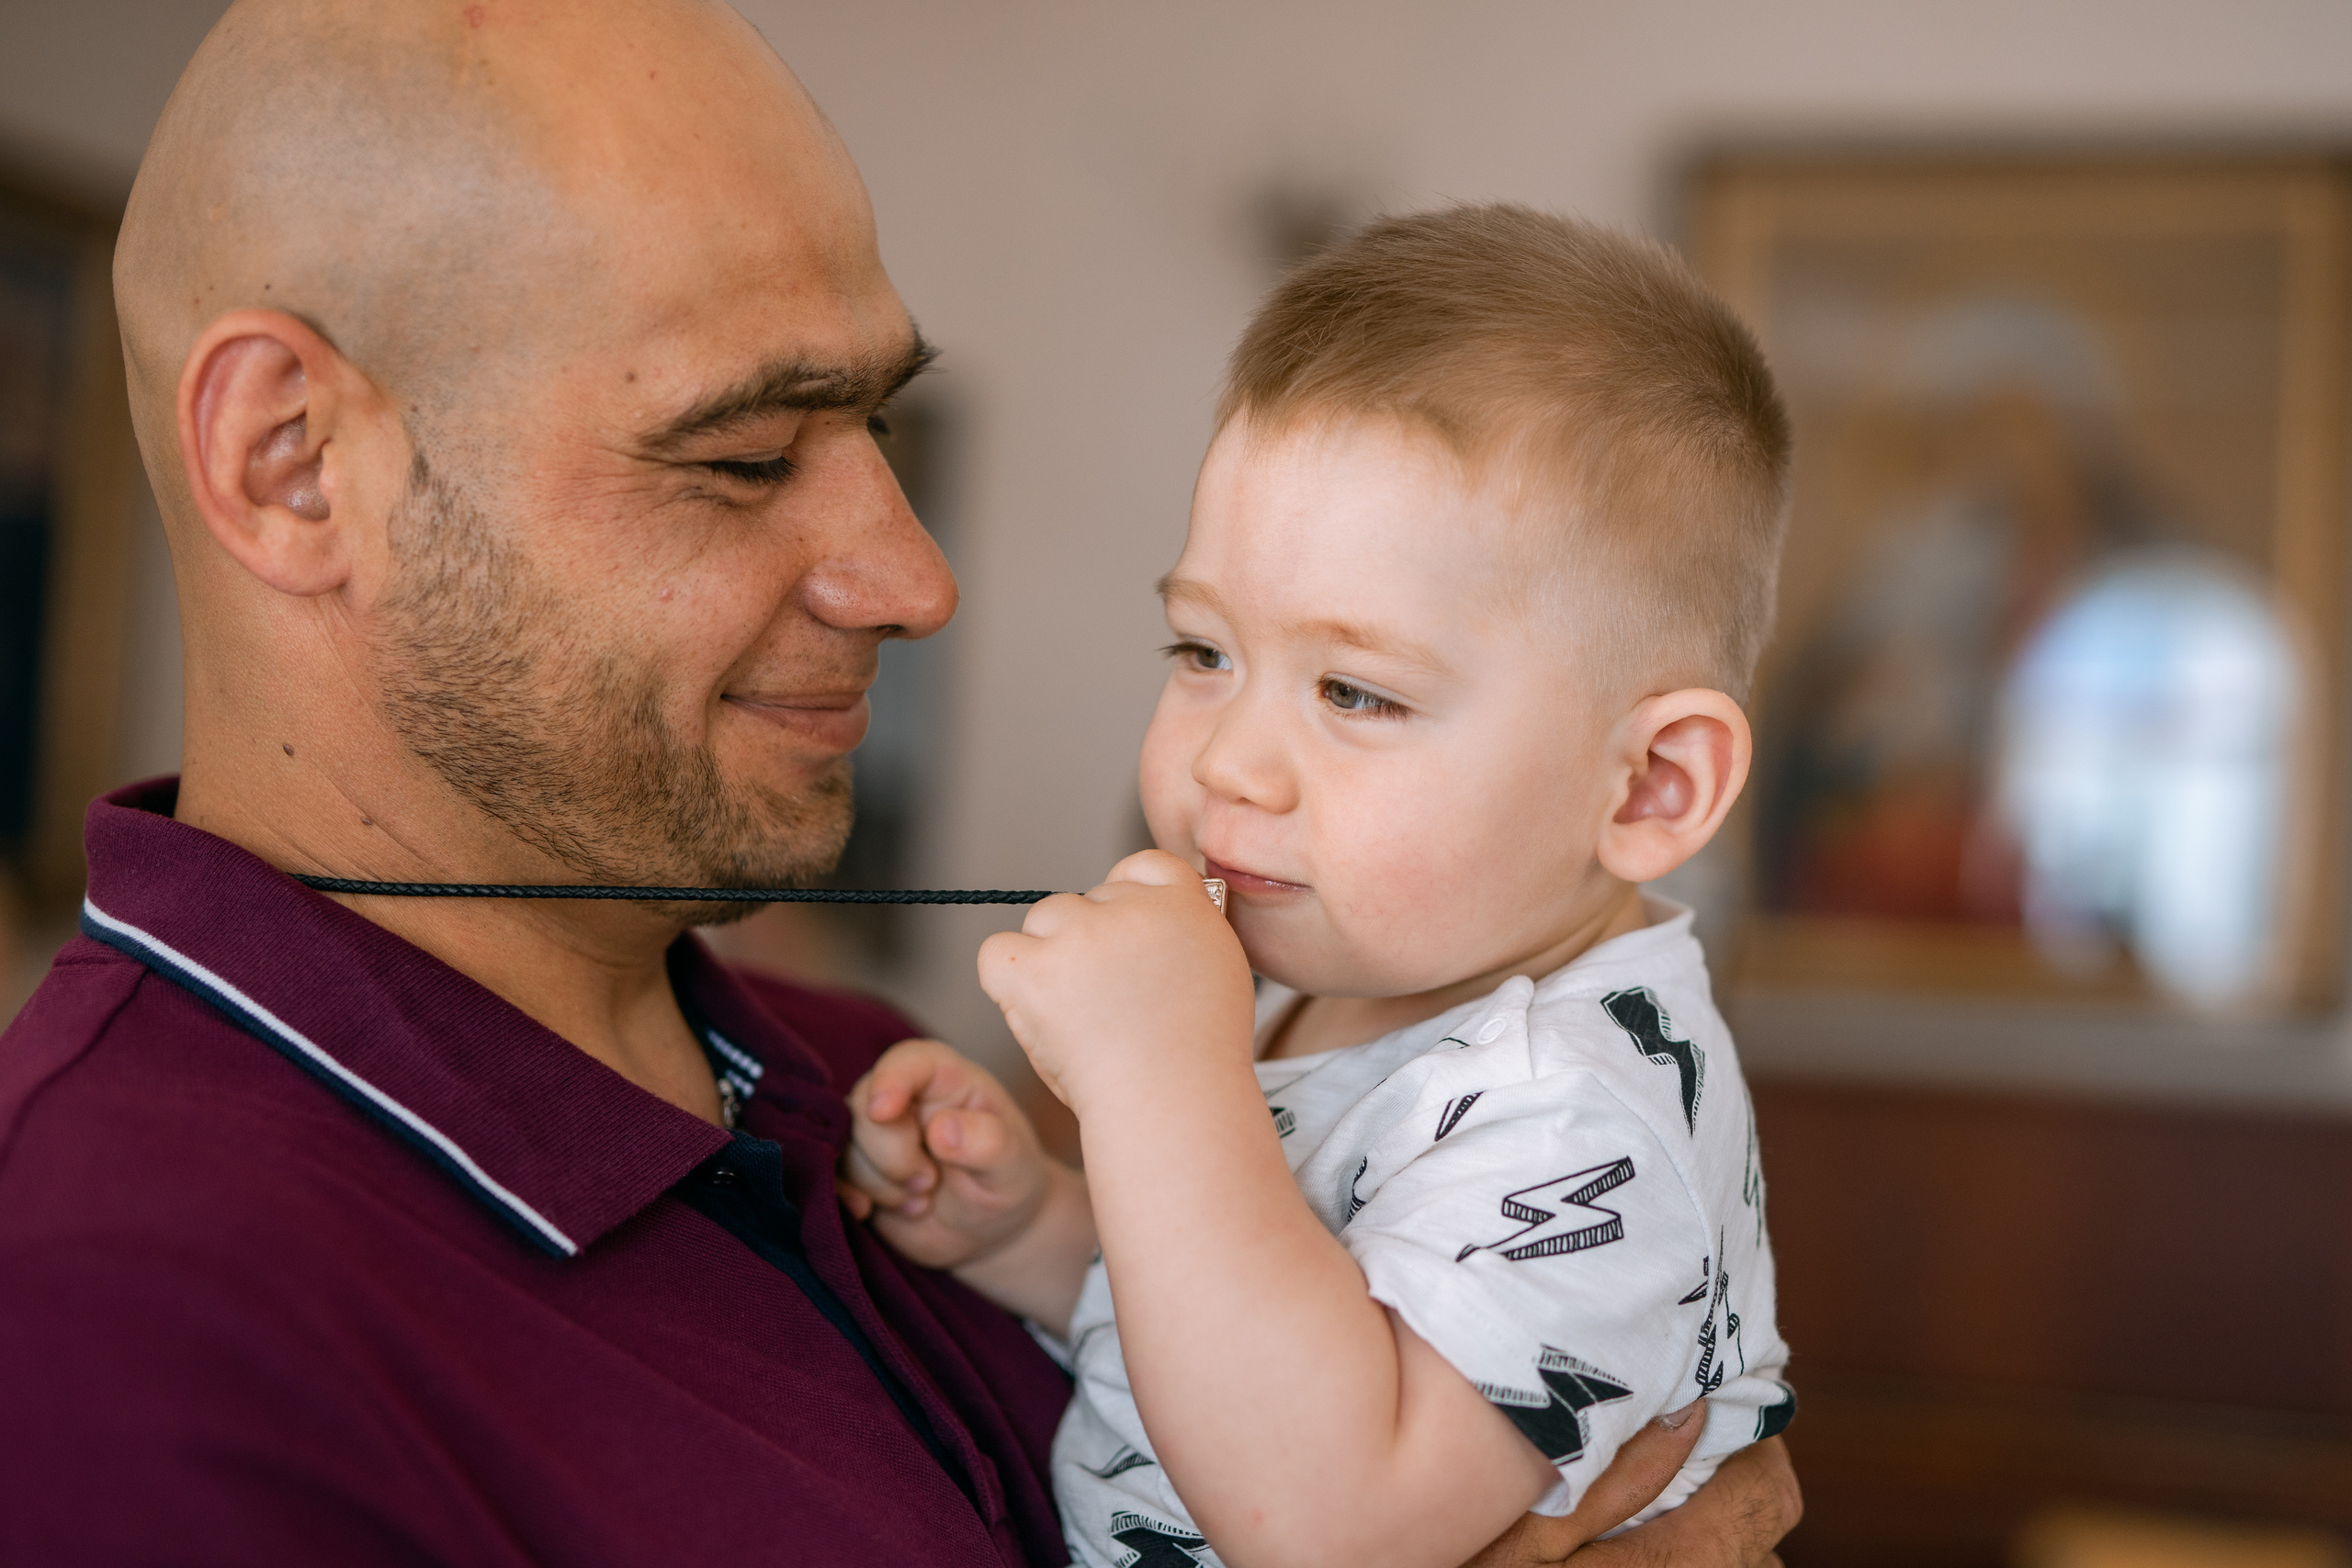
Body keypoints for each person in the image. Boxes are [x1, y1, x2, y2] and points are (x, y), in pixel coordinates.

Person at [0, 0, 1796, 1560]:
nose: (918, 579)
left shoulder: (869, 1087)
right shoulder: (96, 1303)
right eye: (746, 449)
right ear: (295, 465)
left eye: (872, 427)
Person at [840, 207, 1800, 1568]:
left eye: (1356, 690)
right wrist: (1039, 1234)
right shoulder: (1339, 977)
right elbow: (1239, 1345)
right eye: (1202, 651)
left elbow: (1328, 1520)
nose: (1229, 760)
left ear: (1647, 788)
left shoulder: (1577, 1125)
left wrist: (1157, 1086)